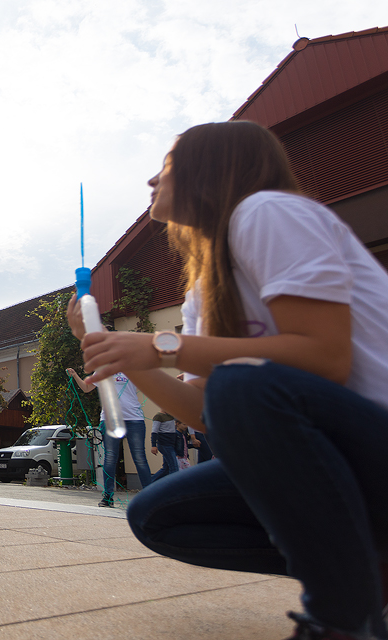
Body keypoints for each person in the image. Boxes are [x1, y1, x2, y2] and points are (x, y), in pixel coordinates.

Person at [67, 121, 388, 639]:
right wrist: (124, 356)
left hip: (371, 442)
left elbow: (325, 357)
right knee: (158, 513)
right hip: (342, 461)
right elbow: (203, 412)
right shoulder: (203, 290)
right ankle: (366, 576)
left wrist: (159, 346)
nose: (152, 179)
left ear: (210, 169)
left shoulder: (268, 211)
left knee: (242, 383)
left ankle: (341, 618)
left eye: (168, 165)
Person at [67, 368, 152, 507]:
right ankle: (108, 496)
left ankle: (151, 496)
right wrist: (75, 375)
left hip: (133, 418)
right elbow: (87, 388)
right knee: (110, 457)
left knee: (139, 457)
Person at [149, 411, 179, 483]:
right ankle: (174, 485)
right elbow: (154, 431)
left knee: (166, 468)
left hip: (171, 444)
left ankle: (150, 483)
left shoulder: (172, 416)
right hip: (164, 444)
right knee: (174, 467)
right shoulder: (159, 416)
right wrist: (153, 445)